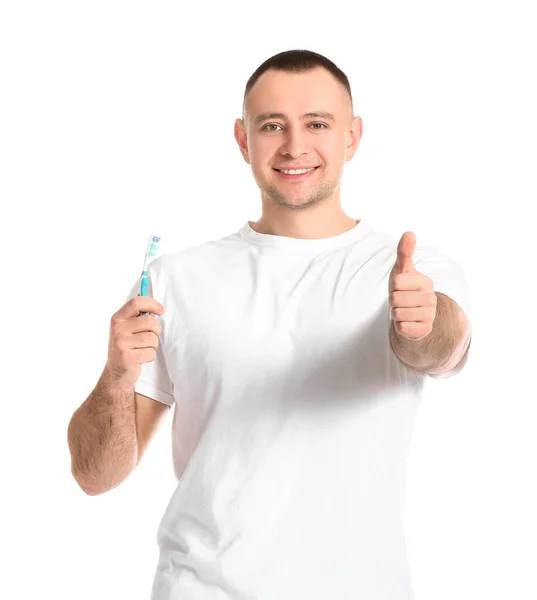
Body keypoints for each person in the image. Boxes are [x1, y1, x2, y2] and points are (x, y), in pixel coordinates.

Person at [67, 49, 473, 600]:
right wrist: (116, 375)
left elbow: (442, 350)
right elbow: (96, 476)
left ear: (352, 137)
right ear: (243, 140)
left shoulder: (412, 271)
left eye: (318, 124)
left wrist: (421, 326)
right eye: (272, 125)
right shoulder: (174, 280)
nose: (295, 145)